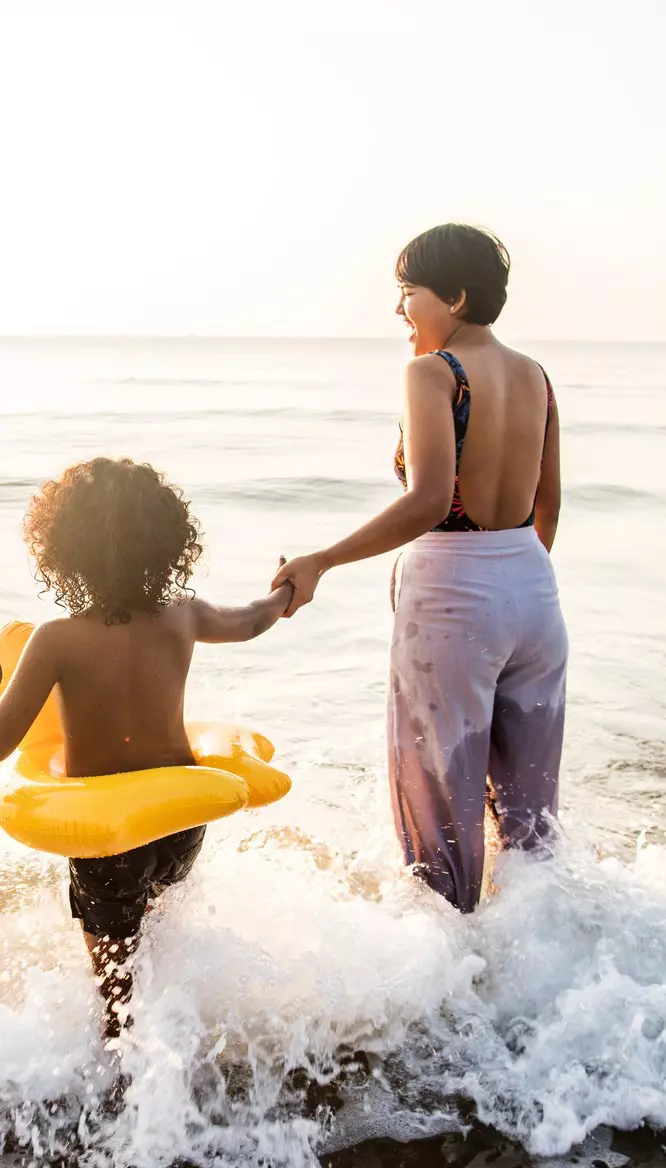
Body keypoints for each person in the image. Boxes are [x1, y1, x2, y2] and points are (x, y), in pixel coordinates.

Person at [0, 458, 293, 1035]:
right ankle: (176, 1051)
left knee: (117, 999)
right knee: (160, 932)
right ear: (166, 540)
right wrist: (287, 590)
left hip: (107, 841)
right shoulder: (184, 616)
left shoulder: (57, 640)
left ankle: (121, 1087)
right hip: (179, 823)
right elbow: (251, 621)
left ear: (63, 551)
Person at [272, 223, 566, 914]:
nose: (399, 310)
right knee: (532, 820)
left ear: (456, 296)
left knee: (438, 815)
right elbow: (548, 506)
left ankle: (446, 999)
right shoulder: (536, 377)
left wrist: (322, 561)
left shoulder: (432, 374)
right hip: (534, 590)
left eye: (408, 293)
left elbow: (429, 499)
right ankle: (546, 970)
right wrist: (509, 580)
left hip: (454, 599)